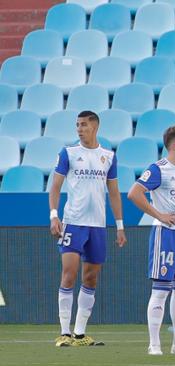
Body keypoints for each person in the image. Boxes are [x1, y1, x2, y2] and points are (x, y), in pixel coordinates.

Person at [49, 110, 127, 347]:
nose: (79, 129)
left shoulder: (108, 156)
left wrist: (120, 226)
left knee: (91, 278)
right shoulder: (69, 153)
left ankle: (80, 334)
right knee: (69, 273)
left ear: (95, 127)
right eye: (77, 125)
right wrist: (54, 216)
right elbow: (55, 187)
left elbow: (113, 192)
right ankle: (64, 332)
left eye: (83, 125)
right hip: (73, 222)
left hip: (98, 226)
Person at [127, 125, 175, 356]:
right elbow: (134, 193)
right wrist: (159, 215)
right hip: (166, 234)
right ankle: (154, 344)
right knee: (161, 290)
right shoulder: (158, 169)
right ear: (174, 145)